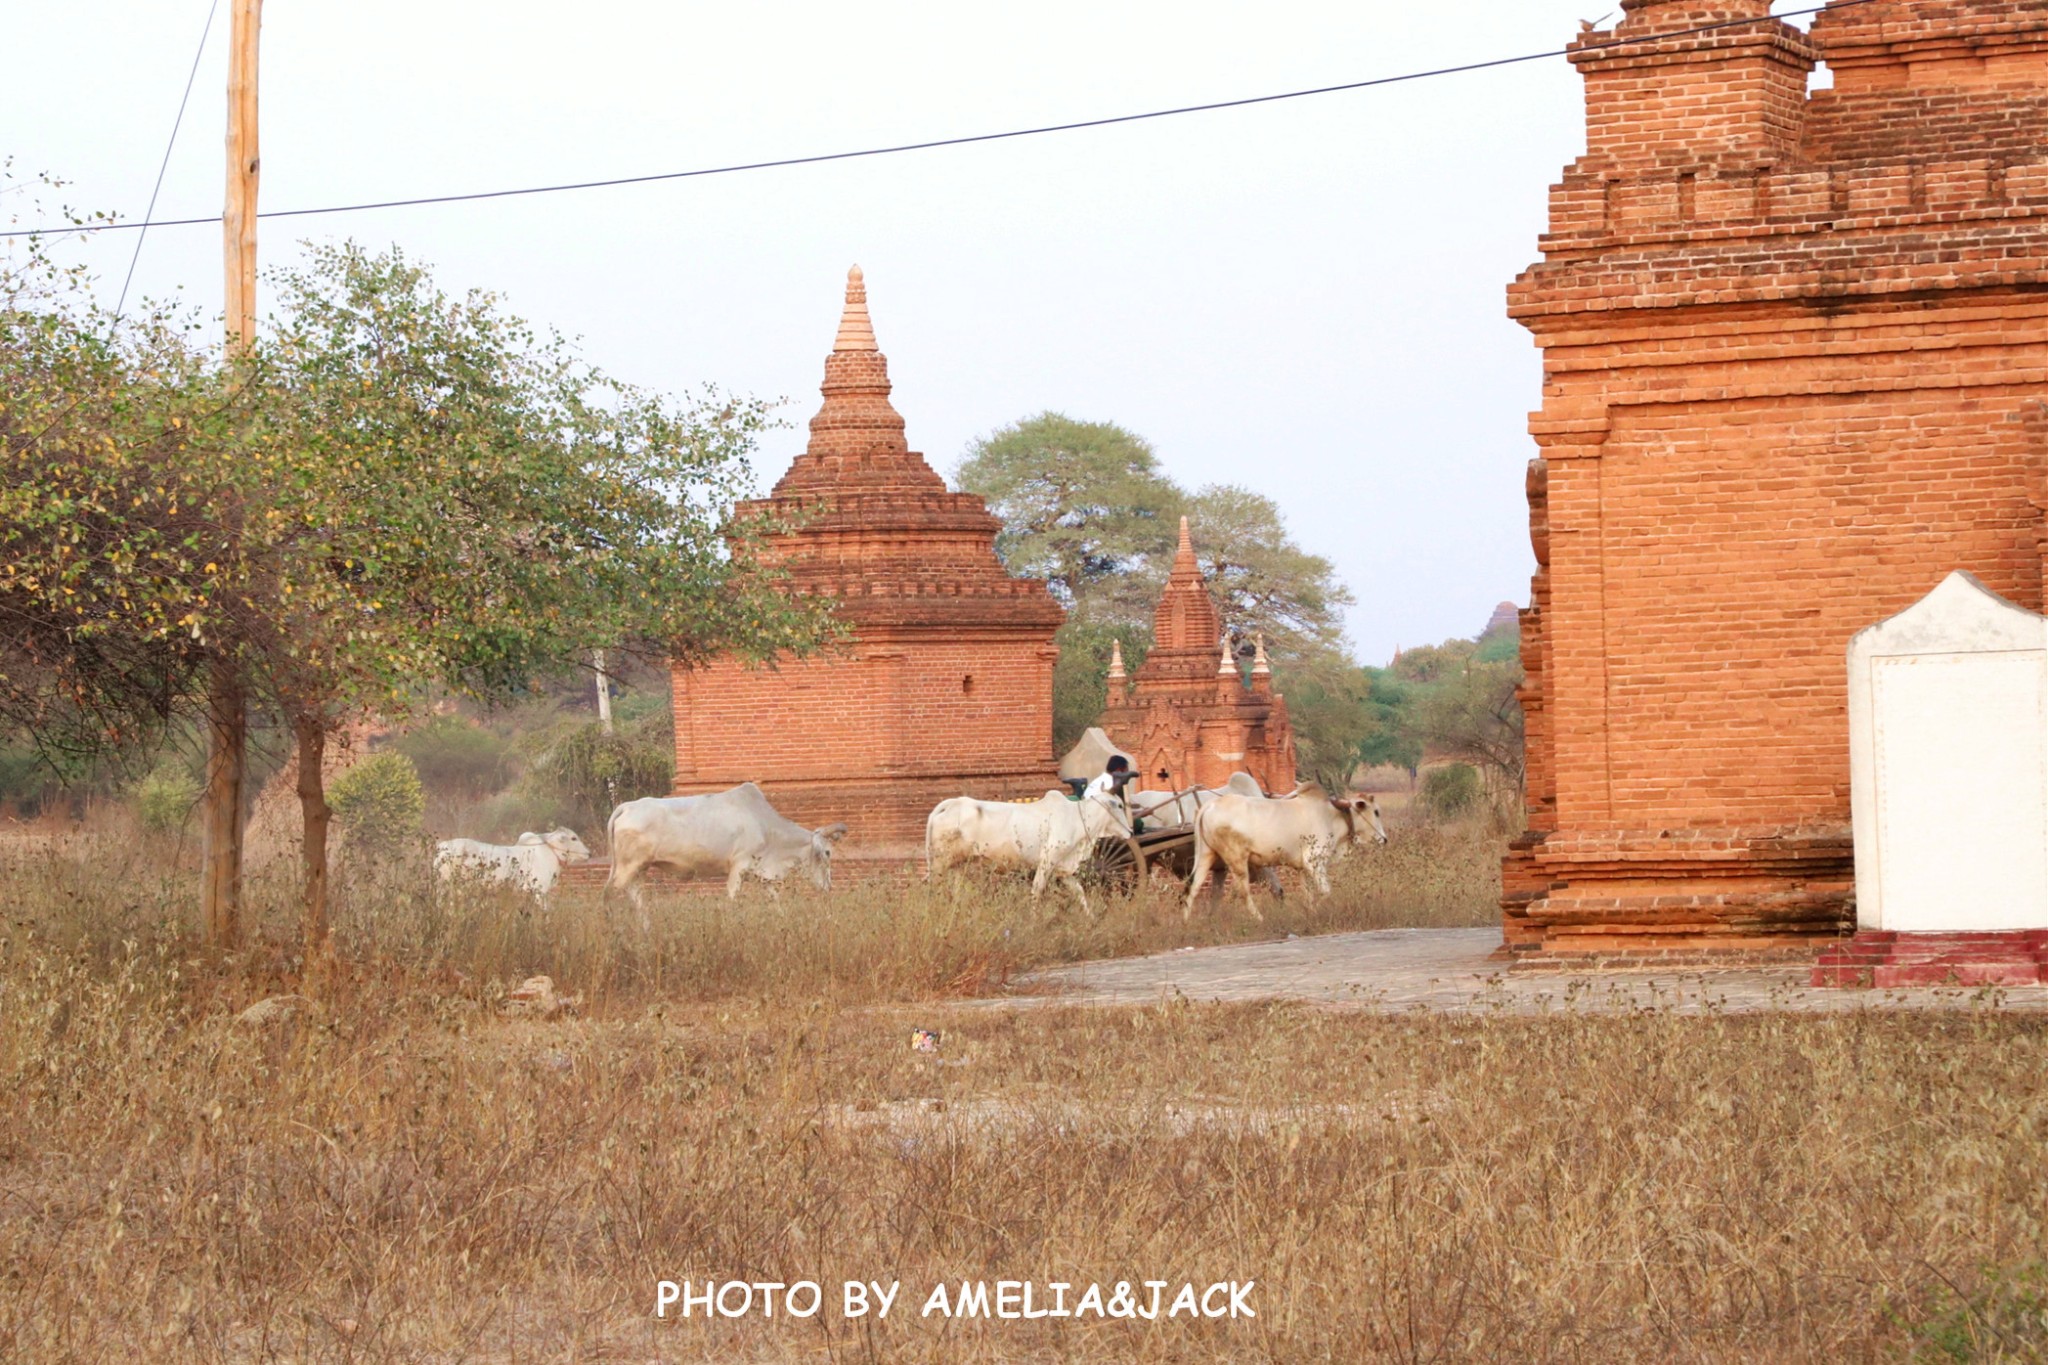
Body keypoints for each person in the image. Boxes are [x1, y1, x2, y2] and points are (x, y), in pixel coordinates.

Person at [1085, 755, 1139, 832]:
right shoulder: (1113, 784)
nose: (1127, 772)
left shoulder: (1098, 780)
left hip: (1088, 818)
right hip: (1100, 822)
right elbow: (1120, 813)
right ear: (1119, 770)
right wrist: (1144, 813)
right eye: (1126, 770)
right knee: (1138, 823)